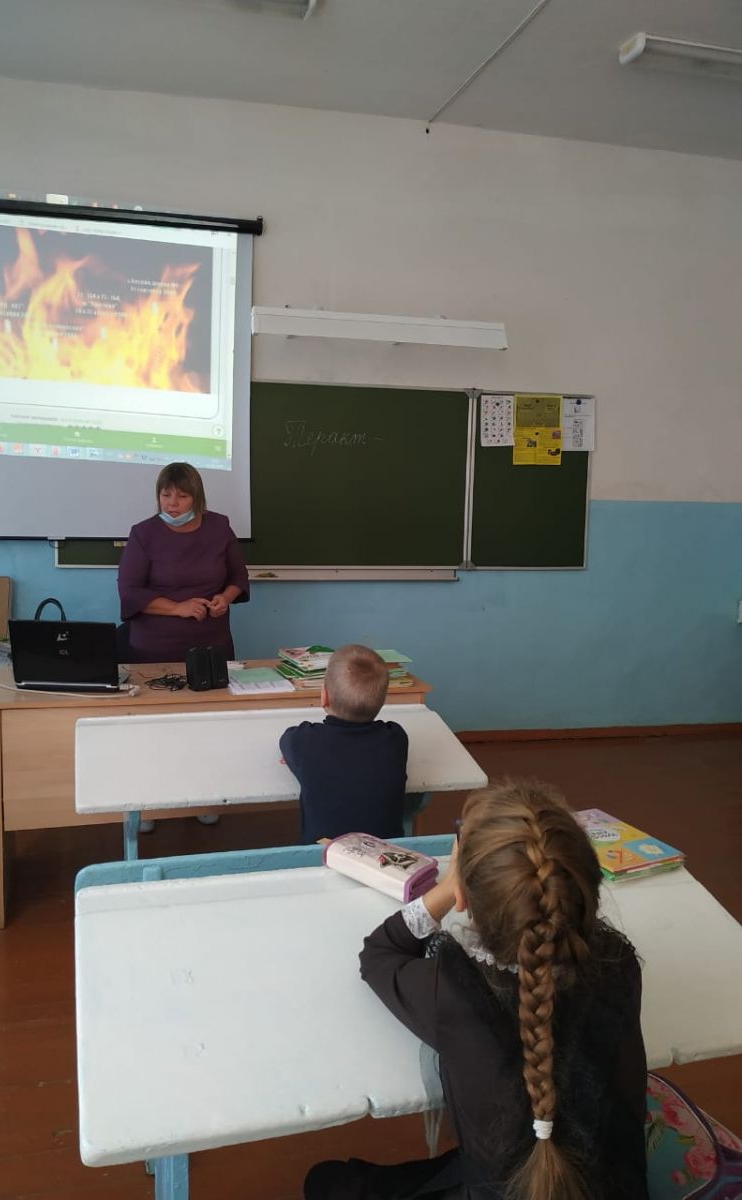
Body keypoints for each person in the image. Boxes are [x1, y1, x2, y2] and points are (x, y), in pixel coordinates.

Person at [304, 780, 649, 1200]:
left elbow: (379, 954)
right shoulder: (619, 966)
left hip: (493, 1185)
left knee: (325, 1181)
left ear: (465, 897)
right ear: (589, 892)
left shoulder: (453, 990)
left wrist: (447, 889)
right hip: (615, 1187)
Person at [117, 462, 249, 665]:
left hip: (213, 644)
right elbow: (129, 592)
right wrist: (177, 608)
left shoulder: (220, 527)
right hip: (156, 648)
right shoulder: (143, 533)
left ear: (197, 498)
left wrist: (225, 598)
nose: (172, 504)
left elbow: (238, 576)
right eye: (165, 495)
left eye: (182, 496)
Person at [279, 644, 408, 844]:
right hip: (385, 854)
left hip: (323, 855)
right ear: (382, 701)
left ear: (324, 696)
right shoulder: (396, 738)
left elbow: (287, 739)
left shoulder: (303, 740)